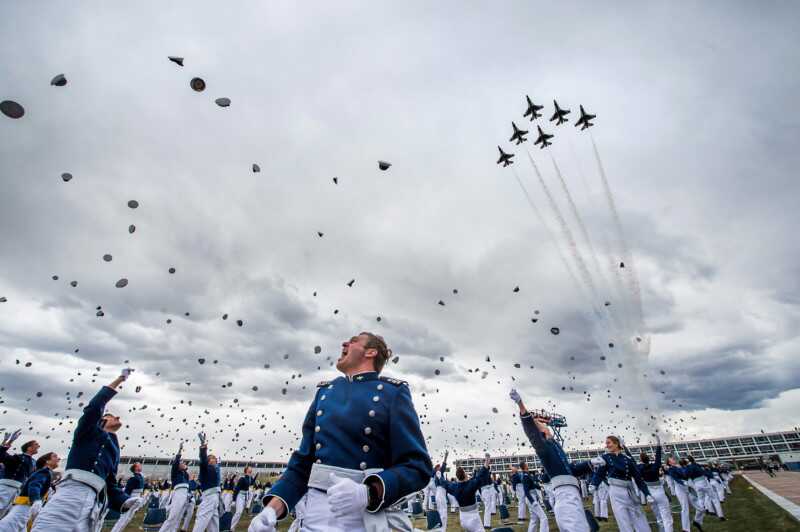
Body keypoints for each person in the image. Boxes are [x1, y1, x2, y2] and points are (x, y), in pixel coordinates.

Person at [249, 332, 432, 532]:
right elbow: (302, 465)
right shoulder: (325, 392)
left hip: (362, 520)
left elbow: (417, 466)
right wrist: (270, 510)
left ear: (371, 352)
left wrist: (368, 492)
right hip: (313, 518)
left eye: (354, 341)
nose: (344, 342)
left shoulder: (392, 392)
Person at [32, 369, 141, 532]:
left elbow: (109, 482)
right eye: (113, 416)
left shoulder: (114, 448)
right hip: (70, 493)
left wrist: (124, 500)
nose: (118, 418)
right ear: (102, 420)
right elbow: (94, 407)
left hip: (92, 502)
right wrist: (120, 380)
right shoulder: (87, 432)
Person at [510, 389, 592, 532]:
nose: (544, 425)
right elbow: (531, 432)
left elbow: (570, 469)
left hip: (571, 494)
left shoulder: (555, 445)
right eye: (541, 424)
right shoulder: (544, 448)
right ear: (542, 432)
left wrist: (593, 463)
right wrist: (520, 404)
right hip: (565, 496)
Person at [590, 436, 651, 532]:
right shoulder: (605, 458)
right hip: (615, 491)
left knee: (638, 515)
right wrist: (593, 484)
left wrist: (647, 493)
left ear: (616, 443)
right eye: (606, 443)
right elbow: (599, 474)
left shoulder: (627, 459)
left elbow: (638, 478)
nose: (607, 445)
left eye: (609, 442)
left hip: (629, 491)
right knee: (622, 519)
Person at [0, 452, 59, 532]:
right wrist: (36, 500)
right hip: (26, 504)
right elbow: (34, 485)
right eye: (55, 456)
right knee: (10, 525)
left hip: (27, 505)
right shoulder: (44, 472)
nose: (58, 459)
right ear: (47, 461)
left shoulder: (44, 472)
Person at [438, 456, 491, 532]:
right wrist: (486, 462)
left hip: (463, 518)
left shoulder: (454, 487)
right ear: (465, 475)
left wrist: (439, 476)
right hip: (473, 518)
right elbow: (480, 476)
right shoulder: (471, 485)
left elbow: (445, 483)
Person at [637, 435, 672, 532]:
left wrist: (625, 447)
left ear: (641, 460)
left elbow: (631, 459)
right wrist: (658, 443)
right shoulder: (655, 465)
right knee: (667, 517)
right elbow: (658, 456)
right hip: (659, 492)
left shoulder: (640, 468)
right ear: (648, 459)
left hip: (650, 493)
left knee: (658, 516)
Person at [0, 431, 38, 518]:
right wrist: (9, 441)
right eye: (36, 444)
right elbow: (1, 455)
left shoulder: (33, 462)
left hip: (17, 491)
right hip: (6, 487)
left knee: (4, 515)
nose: (38, 446)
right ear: (29, 448)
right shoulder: (18, 457)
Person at [192, 432, 221, 532]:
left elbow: (217, 466)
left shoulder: (215, 469)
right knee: (201, 521)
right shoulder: (205, 467)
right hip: (209, 498)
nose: (215, 459)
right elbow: (203, 460)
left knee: (214, 524)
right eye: (212, 458)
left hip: (214, 498)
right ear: (208, 461)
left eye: (215, 459)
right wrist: (203, 446)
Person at [159, 442, 190, 532]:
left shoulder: (185, 474)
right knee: (173, 517)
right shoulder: (175, 472)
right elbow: (176, 462)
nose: (183, 463)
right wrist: (179, 451)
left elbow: (188, 483)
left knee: (178, 517)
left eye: (184, 463)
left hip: (185, 494)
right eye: (182, 462)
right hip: (179, 493)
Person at [110, 462, 147, 532]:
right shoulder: (133, 478)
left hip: (136, 498)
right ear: (136, 468)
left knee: (127, 518)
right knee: (124, 517)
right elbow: (127, 491)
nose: (141, 466)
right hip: (131, 498)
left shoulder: (139, 476)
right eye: (139, 465)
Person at [521, 464, 549, 532]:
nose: (528, 465)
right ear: (524, 466)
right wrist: (533, 501)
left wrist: (540, 487)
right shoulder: (525, 476)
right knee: (543, 518)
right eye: (526, 464)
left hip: (531, 498)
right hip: (531, 499)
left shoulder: (527, 475)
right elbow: (526, 491)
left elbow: (533, 484)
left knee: (534, 519)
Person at [230, 466, 255, 531]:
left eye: (251, 469)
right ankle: (231, 528)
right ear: (246, 470)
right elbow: (237, 489)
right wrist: (234, 500)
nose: (251, 469)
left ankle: (232, 527)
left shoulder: (250, 478)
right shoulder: (242, 478)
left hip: (245, 496)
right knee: (238, 512)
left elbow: (252, 483)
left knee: (239, 513)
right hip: (240, 495)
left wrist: (255, 476)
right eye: (250, 469)